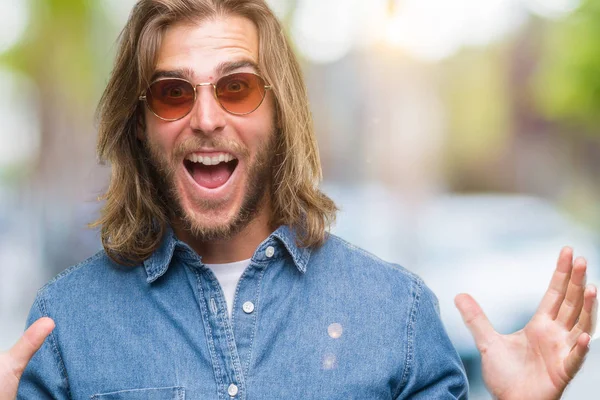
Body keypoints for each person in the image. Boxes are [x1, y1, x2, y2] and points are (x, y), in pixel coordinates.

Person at [0, 0, 596, 398]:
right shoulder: (68, 328)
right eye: (173, 93)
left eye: (237, 87)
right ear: (139, 124)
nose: (206, 118)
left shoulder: (397, 315)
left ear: (280, 115)